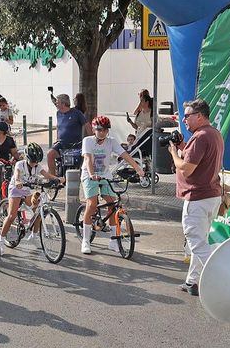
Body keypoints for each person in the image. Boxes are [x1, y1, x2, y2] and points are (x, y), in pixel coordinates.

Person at [170, 98, 223, 296]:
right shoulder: (213, 133)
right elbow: (198, 159)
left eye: (187, 116)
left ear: (199, 116)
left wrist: (174, 153)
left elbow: (187, 167)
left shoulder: (200, 136)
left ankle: (226, 279)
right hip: (210, 196)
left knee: (197, 244)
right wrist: (183, 146)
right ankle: (192, 282)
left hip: (197, 197)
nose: (184, 120)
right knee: (200, 241)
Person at [78, 116, 144, 255]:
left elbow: (125, 155)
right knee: (92, 204)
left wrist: (137, 168)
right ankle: (85, 240)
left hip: (105, 175)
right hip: (89, 175)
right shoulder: (88, 141)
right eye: (100, 129)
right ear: (94, 130)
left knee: (112, 205)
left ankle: (113, 241)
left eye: (105, 130)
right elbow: (88, 159)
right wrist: (91, 174)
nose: (102, 132)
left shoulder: (111, 142)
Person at [45, 93, 88, 179]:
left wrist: (93, 139)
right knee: (50, 154)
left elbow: (87, 125)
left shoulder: (77, 113)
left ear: (63, 104)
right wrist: (57, 138)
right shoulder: (58, 113)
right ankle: (54, 179)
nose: (56, 104)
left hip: (75, 144)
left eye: (57, 102)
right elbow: (58, 126)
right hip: (61, 143)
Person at [127, 89, 154, 155]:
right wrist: (130, 122)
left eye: (141, 101)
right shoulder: (139, 113)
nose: (140, 102)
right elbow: (136, 127)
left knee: (133, 151)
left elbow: (153, 127)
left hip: (146, 140)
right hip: (138, 137)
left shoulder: (152, 113)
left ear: (147, 102)